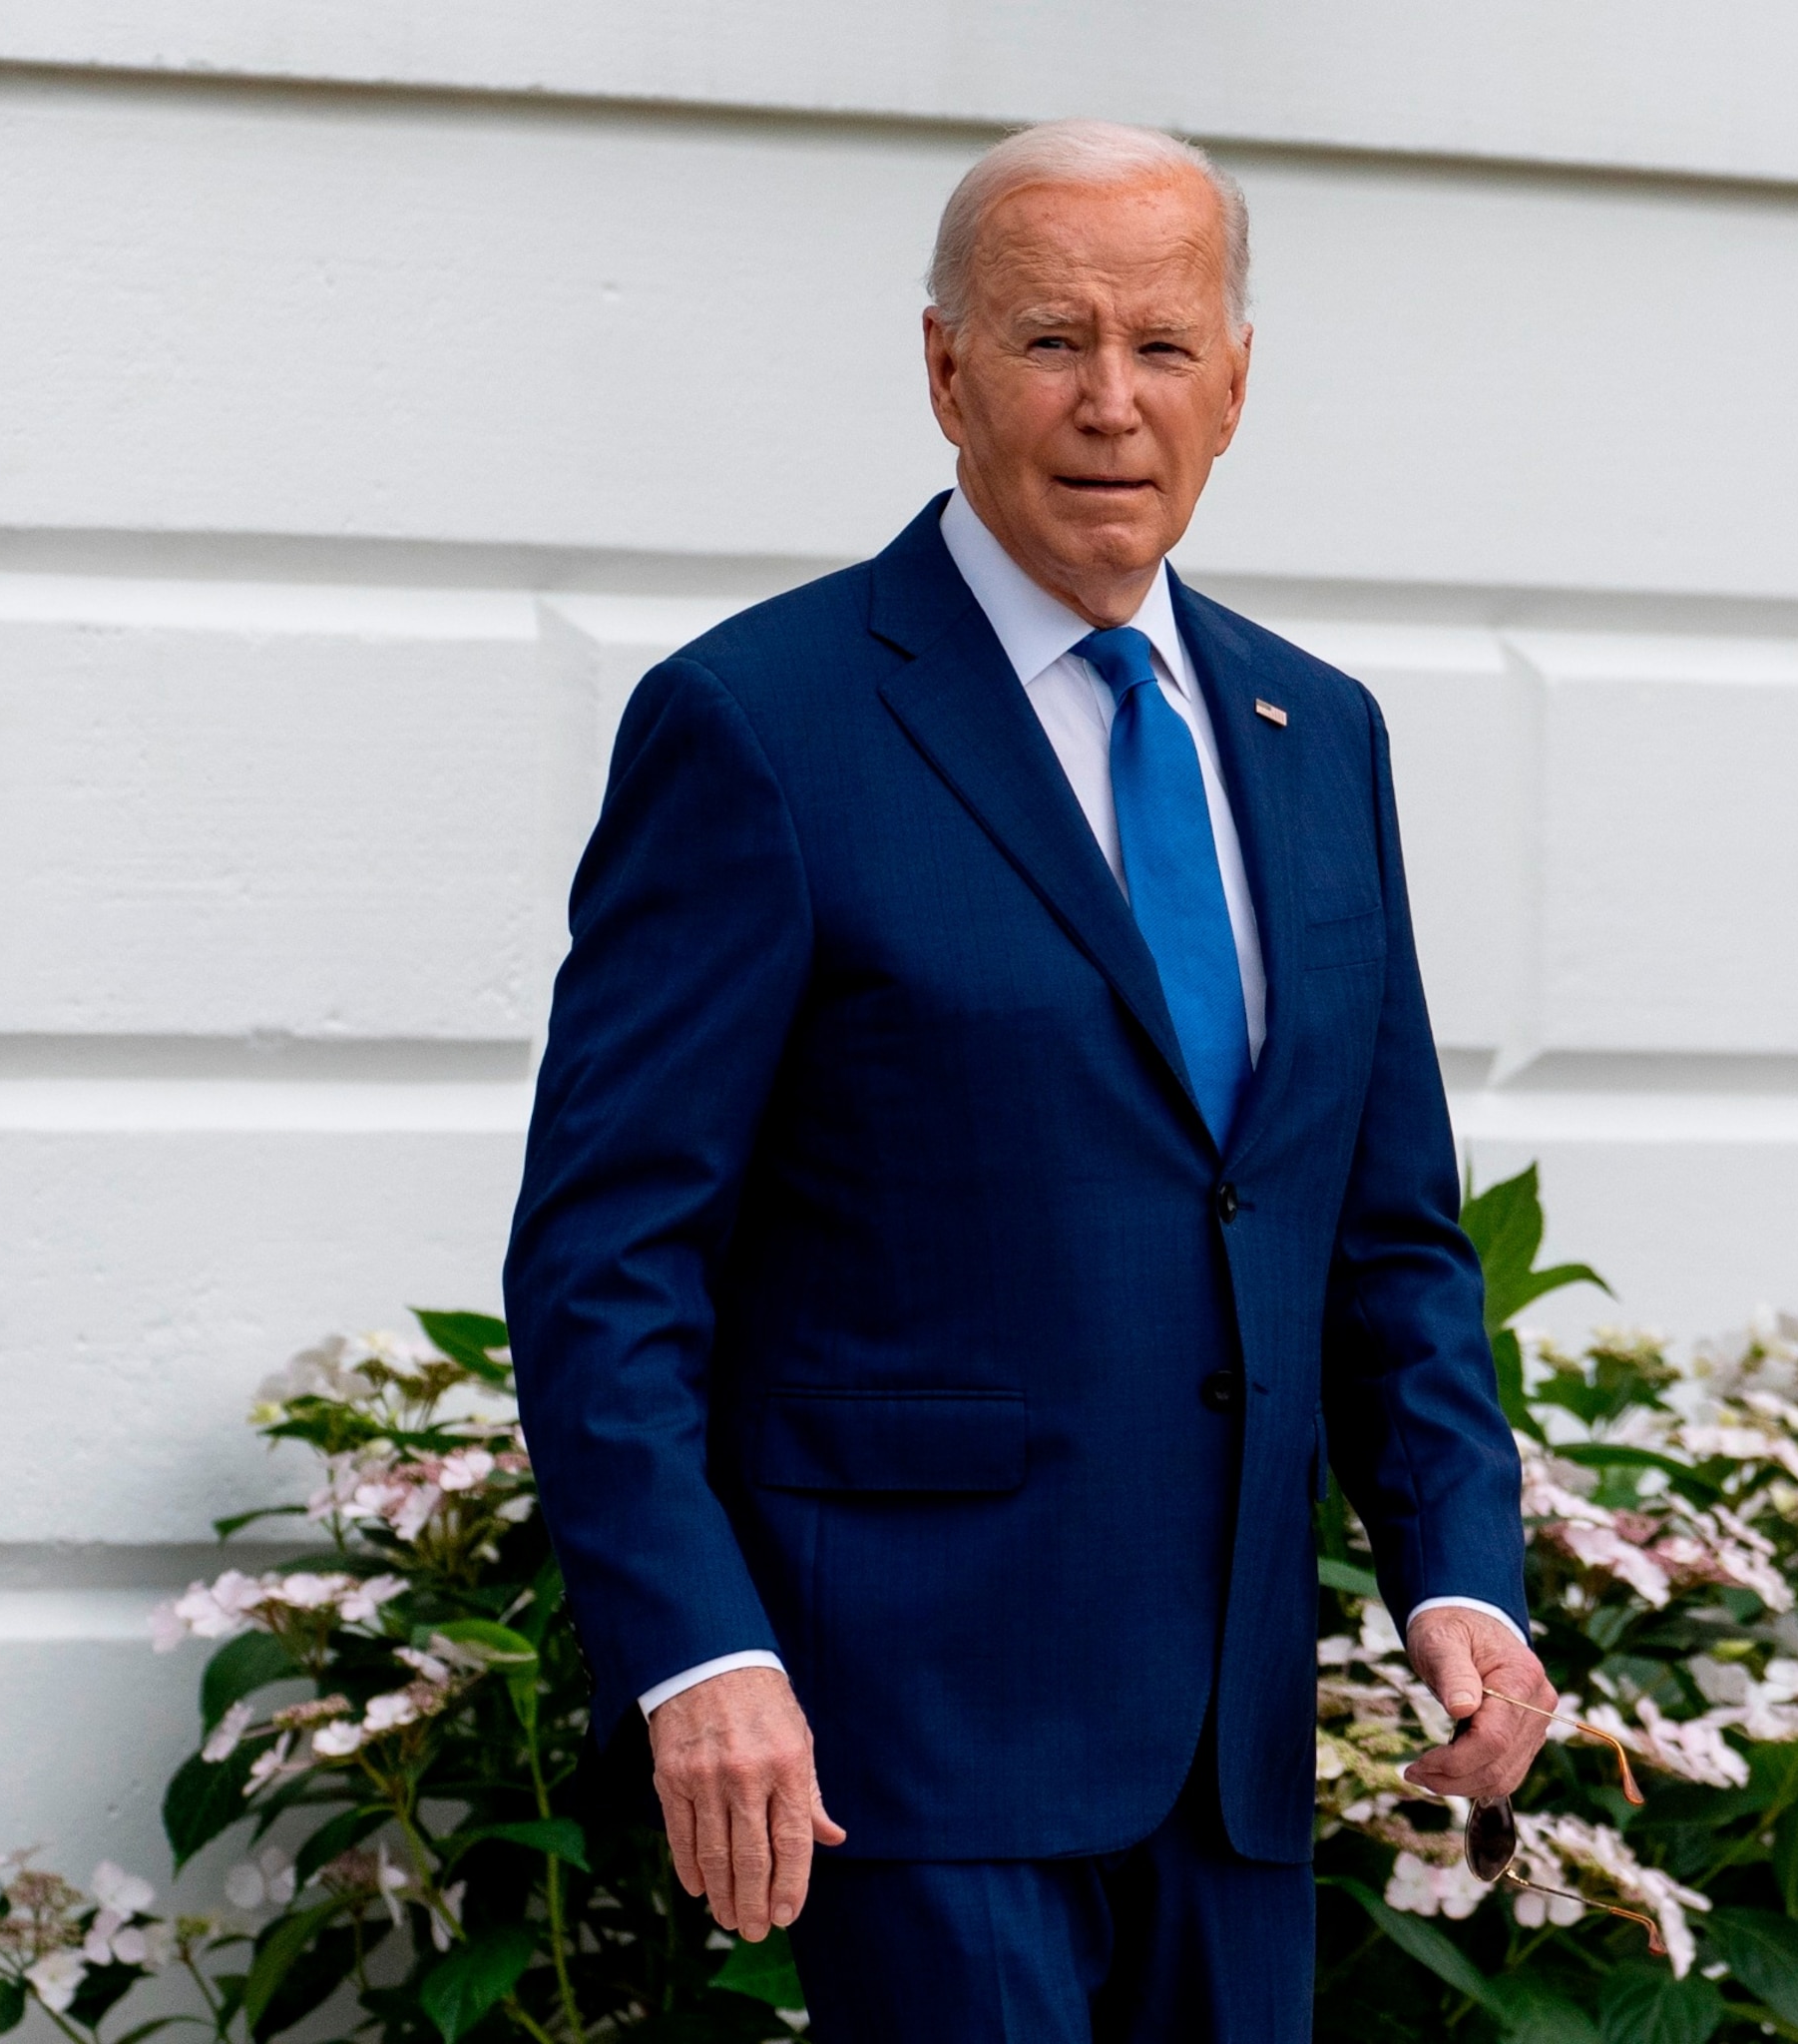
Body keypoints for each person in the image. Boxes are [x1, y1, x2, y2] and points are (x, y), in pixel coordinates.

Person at [502, 120, 1553, 2041]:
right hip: (903, 1739)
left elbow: (1383, 1233)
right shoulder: (758, 726)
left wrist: (1460, 1579)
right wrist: (698, 1653)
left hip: (1233, 1755)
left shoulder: (1321, 737)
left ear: (1236, 386)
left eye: (1162, 348)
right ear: (944, 372)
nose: (1109, 404)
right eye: (1051, 341)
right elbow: (606, 1263)